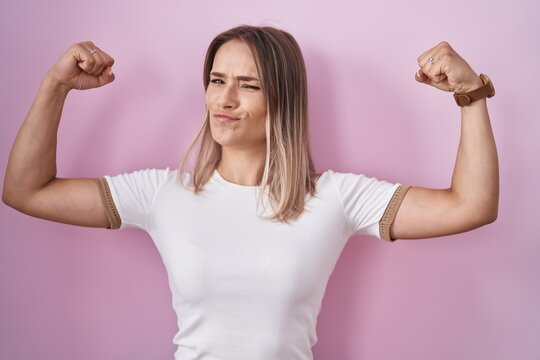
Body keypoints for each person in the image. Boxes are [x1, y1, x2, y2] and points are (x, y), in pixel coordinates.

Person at [2, 25, 498, 359]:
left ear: (281, 98)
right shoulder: (162, 193)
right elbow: (27, 191)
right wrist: (54, 86)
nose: (225, 99)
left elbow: (470, 205)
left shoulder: (335, 198)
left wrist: (471, 96)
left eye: (248, 85)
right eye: (217, 80)